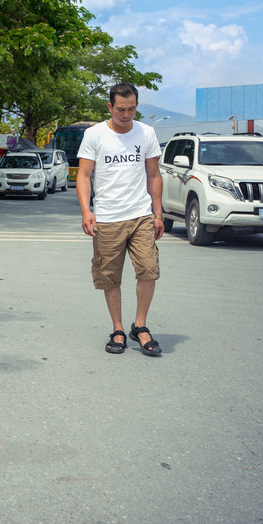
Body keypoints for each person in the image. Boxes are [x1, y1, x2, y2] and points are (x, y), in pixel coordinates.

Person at [76, 82, 164, 356]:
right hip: (107, 217)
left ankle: (140, 326)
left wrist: (158, 213)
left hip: (140, 215)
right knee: (110, 276)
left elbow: (154, 175)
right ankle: (117, 328)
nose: (127, 115)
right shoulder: (94, 134)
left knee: (148, 270)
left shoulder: (146, 132)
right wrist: (86, 210)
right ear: (110, 107)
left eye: (132, 109)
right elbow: (84, 175)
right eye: (121, 110)